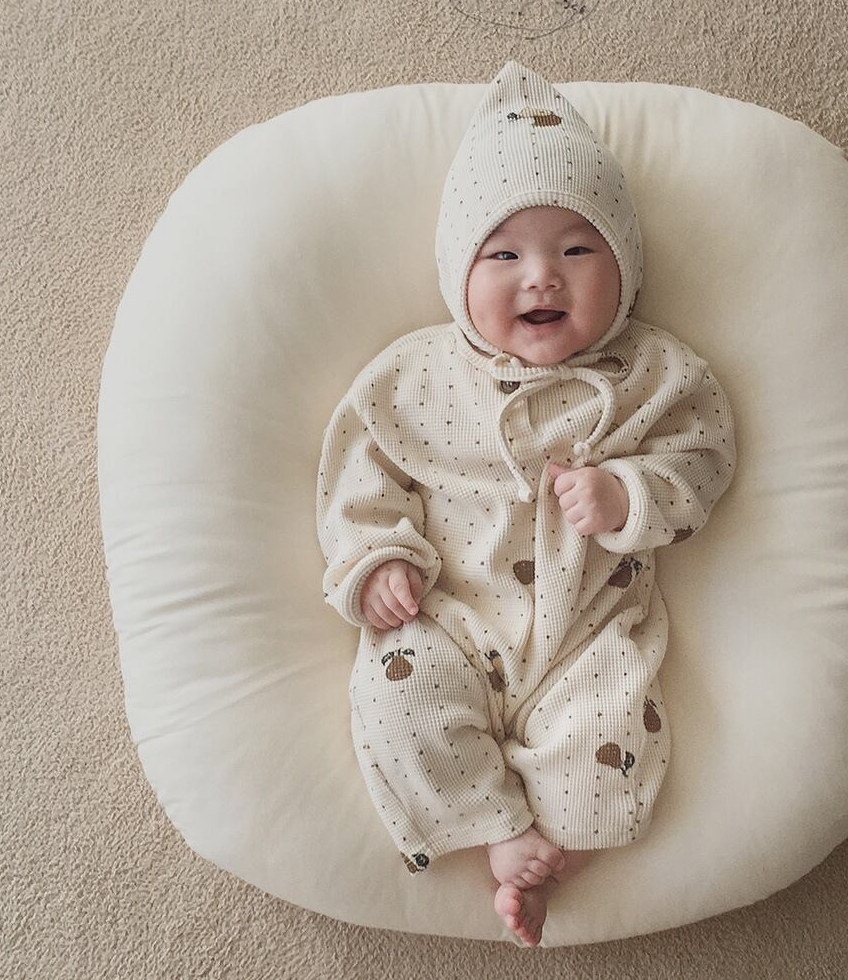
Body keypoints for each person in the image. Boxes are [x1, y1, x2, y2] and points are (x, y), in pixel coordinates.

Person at [315, 58, 737, 946]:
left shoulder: (655, 372)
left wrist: (629, 493)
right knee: (395, 687)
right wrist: (379, 559)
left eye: (578, 251)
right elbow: (361, 470)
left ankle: (557, 855)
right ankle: (498, 830)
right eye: (503, 255)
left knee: (612, 732)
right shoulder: (415, 376)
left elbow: (703, 456)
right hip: (450, 616)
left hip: (588, 632)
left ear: (626, 268)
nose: (542, 277)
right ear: (456, 273)